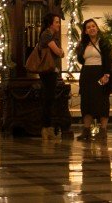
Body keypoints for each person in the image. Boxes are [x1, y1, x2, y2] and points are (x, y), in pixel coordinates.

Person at [75, 19, 112, 140]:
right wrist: (78, 50)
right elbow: (81, 60)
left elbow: (108, 59)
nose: (91, 28)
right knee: (86, 102)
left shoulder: (104, 42)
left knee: (102, 101)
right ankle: (86, 130)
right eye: (88, 27)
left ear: (97, 28)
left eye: (93, 26)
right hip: (86, 75)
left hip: (100, 73)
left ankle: (103, 130)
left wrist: (106, 75)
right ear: (85, 31)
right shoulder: (84, 44)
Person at [37, 13, 65, 141]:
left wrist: (61, 51)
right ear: (50, 23)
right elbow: (59, 52)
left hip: (51, 71)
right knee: (48, 100)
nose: (59, 24)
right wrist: (60, 51)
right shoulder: (47, 34)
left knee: (49, 99)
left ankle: (47, 128)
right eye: (57, 22)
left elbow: (61, 53)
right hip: (48, 71)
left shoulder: (52, 35)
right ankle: (46, 128)